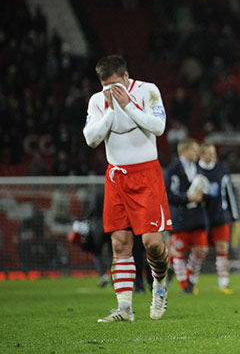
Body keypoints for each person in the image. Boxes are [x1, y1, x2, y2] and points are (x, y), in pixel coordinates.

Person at [82, 54, 171, 322]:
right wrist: (111, 110)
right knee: (120, 243)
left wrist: (127, 105)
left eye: (114, 84)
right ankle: (124, 308)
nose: (110, 91)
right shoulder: (98, 101)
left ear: (126, 76)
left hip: (146, 175)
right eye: (104, 86)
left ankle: (160, 284)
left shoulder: (148, 91)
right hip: (117, 176)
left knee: (152, 244)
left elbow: (158, 127)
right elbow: (91, 139)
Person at [165, 139, 209, 295]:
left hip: (197, 216)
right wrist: (187, 198)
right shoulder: (172, 171)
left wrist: (203, 195)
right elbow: (168, 195)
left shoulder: (198, 169)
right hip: (180, 217)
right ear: (185, 151)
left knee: (202, 249)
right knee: (178, 252)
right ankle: (185, 285)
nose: (197, 153)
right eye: (194, 149)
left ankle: (188, 275)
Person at [197, 142, 240, 294]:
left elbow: (230, 194)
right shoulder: (195, 170)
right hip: (200, 216)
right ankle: (191, 282)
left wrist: (235, 217)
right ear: (201, 155)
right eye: (209, 153)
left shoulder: (222, 170)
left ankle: (223, 284)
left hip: (219, 215)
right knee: (199, 251)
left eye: (213, 152)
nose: (212, 155)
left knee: (223, 249)